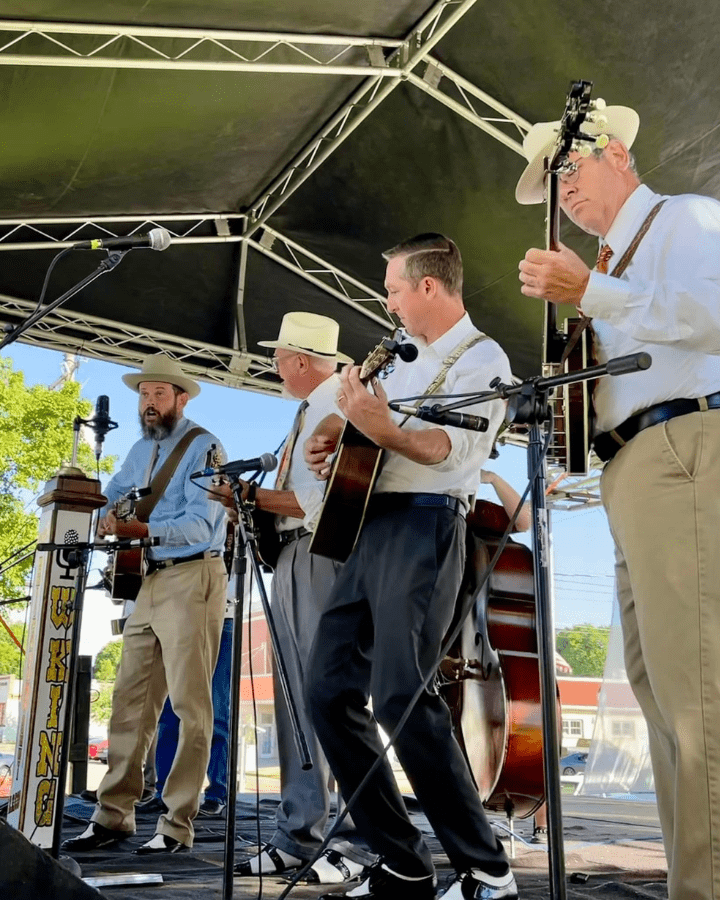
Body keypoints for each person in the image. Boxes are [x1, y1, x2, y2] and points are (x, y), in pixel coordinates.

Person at [516, 103, 720, 900]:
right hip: (634, 466)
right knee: (662, 694)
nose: (559, 189)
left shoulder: (686, 220)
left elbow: (711, 317)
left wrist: (593, 291)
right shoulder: (616, 256)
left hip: (685, 449)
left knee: (697, 691)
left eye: (568, 168)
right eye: (550, 181)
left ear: (620, 154)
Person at [304, 233, 517, 900]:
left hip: (427, 524)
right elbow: (373, 434)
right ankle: (401, 862)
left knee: (401, 693)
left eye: (395, 287)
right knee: (326, 691)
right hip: (369, 528)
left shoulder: (483, 358)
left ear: (429, 286)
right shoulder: (399, 362)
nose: (388, 299)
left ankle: (487, 869)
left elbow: (451, 452)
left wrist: (380, 426)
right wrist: (335, 440)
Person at [215, 312, 375, 885]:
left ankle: (350, 839)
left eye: (279, 357)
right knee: (297, 696)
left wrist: (250, 496)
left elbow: (316, 503)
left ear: (301, 360)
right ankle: (302, 831)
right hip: (295, 557)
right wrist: (249, 500)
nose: (275, 366)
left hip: (318, 554)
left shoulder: (336, 403)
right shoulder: (312, 409)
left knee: (328, 696)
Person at [62, 353, 228, 855]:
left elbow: (204, 526)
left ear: (181, 398)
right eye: (144, 394)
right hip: (148, 581)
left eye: (159, 394)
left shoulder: (205, 447)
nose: (149, 403)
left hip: (193, 573)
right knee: (129, 704)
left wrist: (143, 529)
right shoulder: (138, 448)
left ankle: (176, 825)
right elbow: (111, 497)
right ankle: (113, 816)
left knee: (190, 707)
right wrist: (105, 516)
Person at [140, 608, 233, 818]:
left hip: (221, 618)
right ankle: (164, 793)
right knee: (170, 712)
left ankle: (217, 795)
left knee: (216, 712)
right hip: (179, 618)